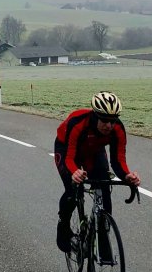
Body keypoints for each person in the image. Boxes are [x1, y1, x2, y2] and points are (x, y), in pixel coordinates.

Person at [54, 91, 141, 255]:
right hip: (66, 150)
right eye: (105, 121)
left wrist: (127, 175)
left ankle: (102, 234)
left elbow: (118, 160)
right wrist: (74, 172)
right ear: (95, 116)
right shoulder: (78, 122)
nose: (109, 126)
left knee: (103, 186)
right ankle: (63, 226)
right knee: (73, 189)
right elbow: (70, 157)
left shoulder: (117, 129)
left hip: (93, 151)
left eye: (113, 121)